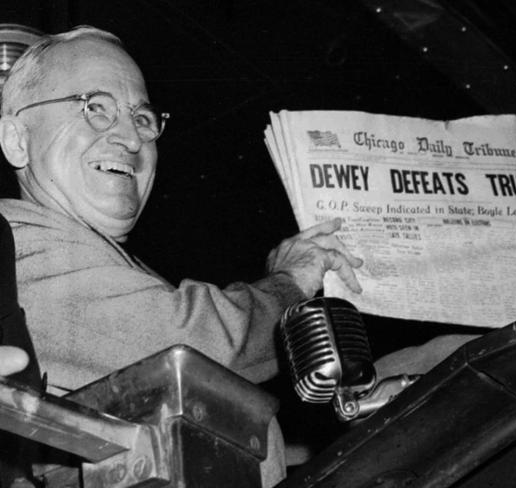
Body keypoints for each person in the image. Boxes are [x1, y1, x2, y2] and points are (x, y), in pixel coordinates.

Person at [0, 25, 362, 486]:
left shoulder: (105, 265)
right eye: (95, 108)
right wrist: (290, 284)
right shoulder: (14, 245)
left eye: (143, 119)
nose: (131, 139)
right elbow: (194, 347)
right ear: (16, 140)